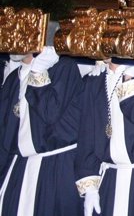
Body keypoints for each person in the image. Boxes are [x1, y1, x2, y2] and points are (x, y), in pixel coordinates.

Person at [75, 59, 134, 216]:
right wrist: (90, 186)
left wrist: (129, 77)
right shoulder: (96, 80)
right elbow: (87, 135)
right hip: (110, 179)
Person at [0, 47, 82, 215]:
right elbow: (4, 136)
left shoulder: (63, 67)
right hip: (19, 168)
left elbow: (50, 113)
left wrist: (37, 72)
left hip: (56, 167)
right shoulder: (12, 80)